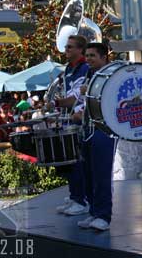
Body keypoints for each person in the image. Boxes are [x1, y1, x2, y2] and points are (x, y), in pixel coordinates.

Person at [72, 42, 117, 232]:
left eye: (92, 56)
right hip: (88, 129)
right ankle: (93, 211)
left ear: (104, 57)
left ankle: (104, 216)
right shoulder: (91, 74)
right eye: (87, 55)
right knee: (88, 173)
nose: (88, 59)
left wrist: (88, 90)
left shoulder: (112, 74)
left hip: (105, 130)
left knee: (102, 174)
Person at [49, 35, 89, 217]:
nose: (66, 50)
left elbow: (77, 98)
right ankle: (75, 196)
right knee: (71, 160)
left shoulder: (84, 68)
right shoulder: (69, 69)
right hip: (69, 118)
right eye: (66, 47)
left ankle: (81, 199)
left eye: (70, 47)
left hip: (79, 119)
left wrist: (57, 104)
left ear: (80, 50)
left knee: (77, 160)